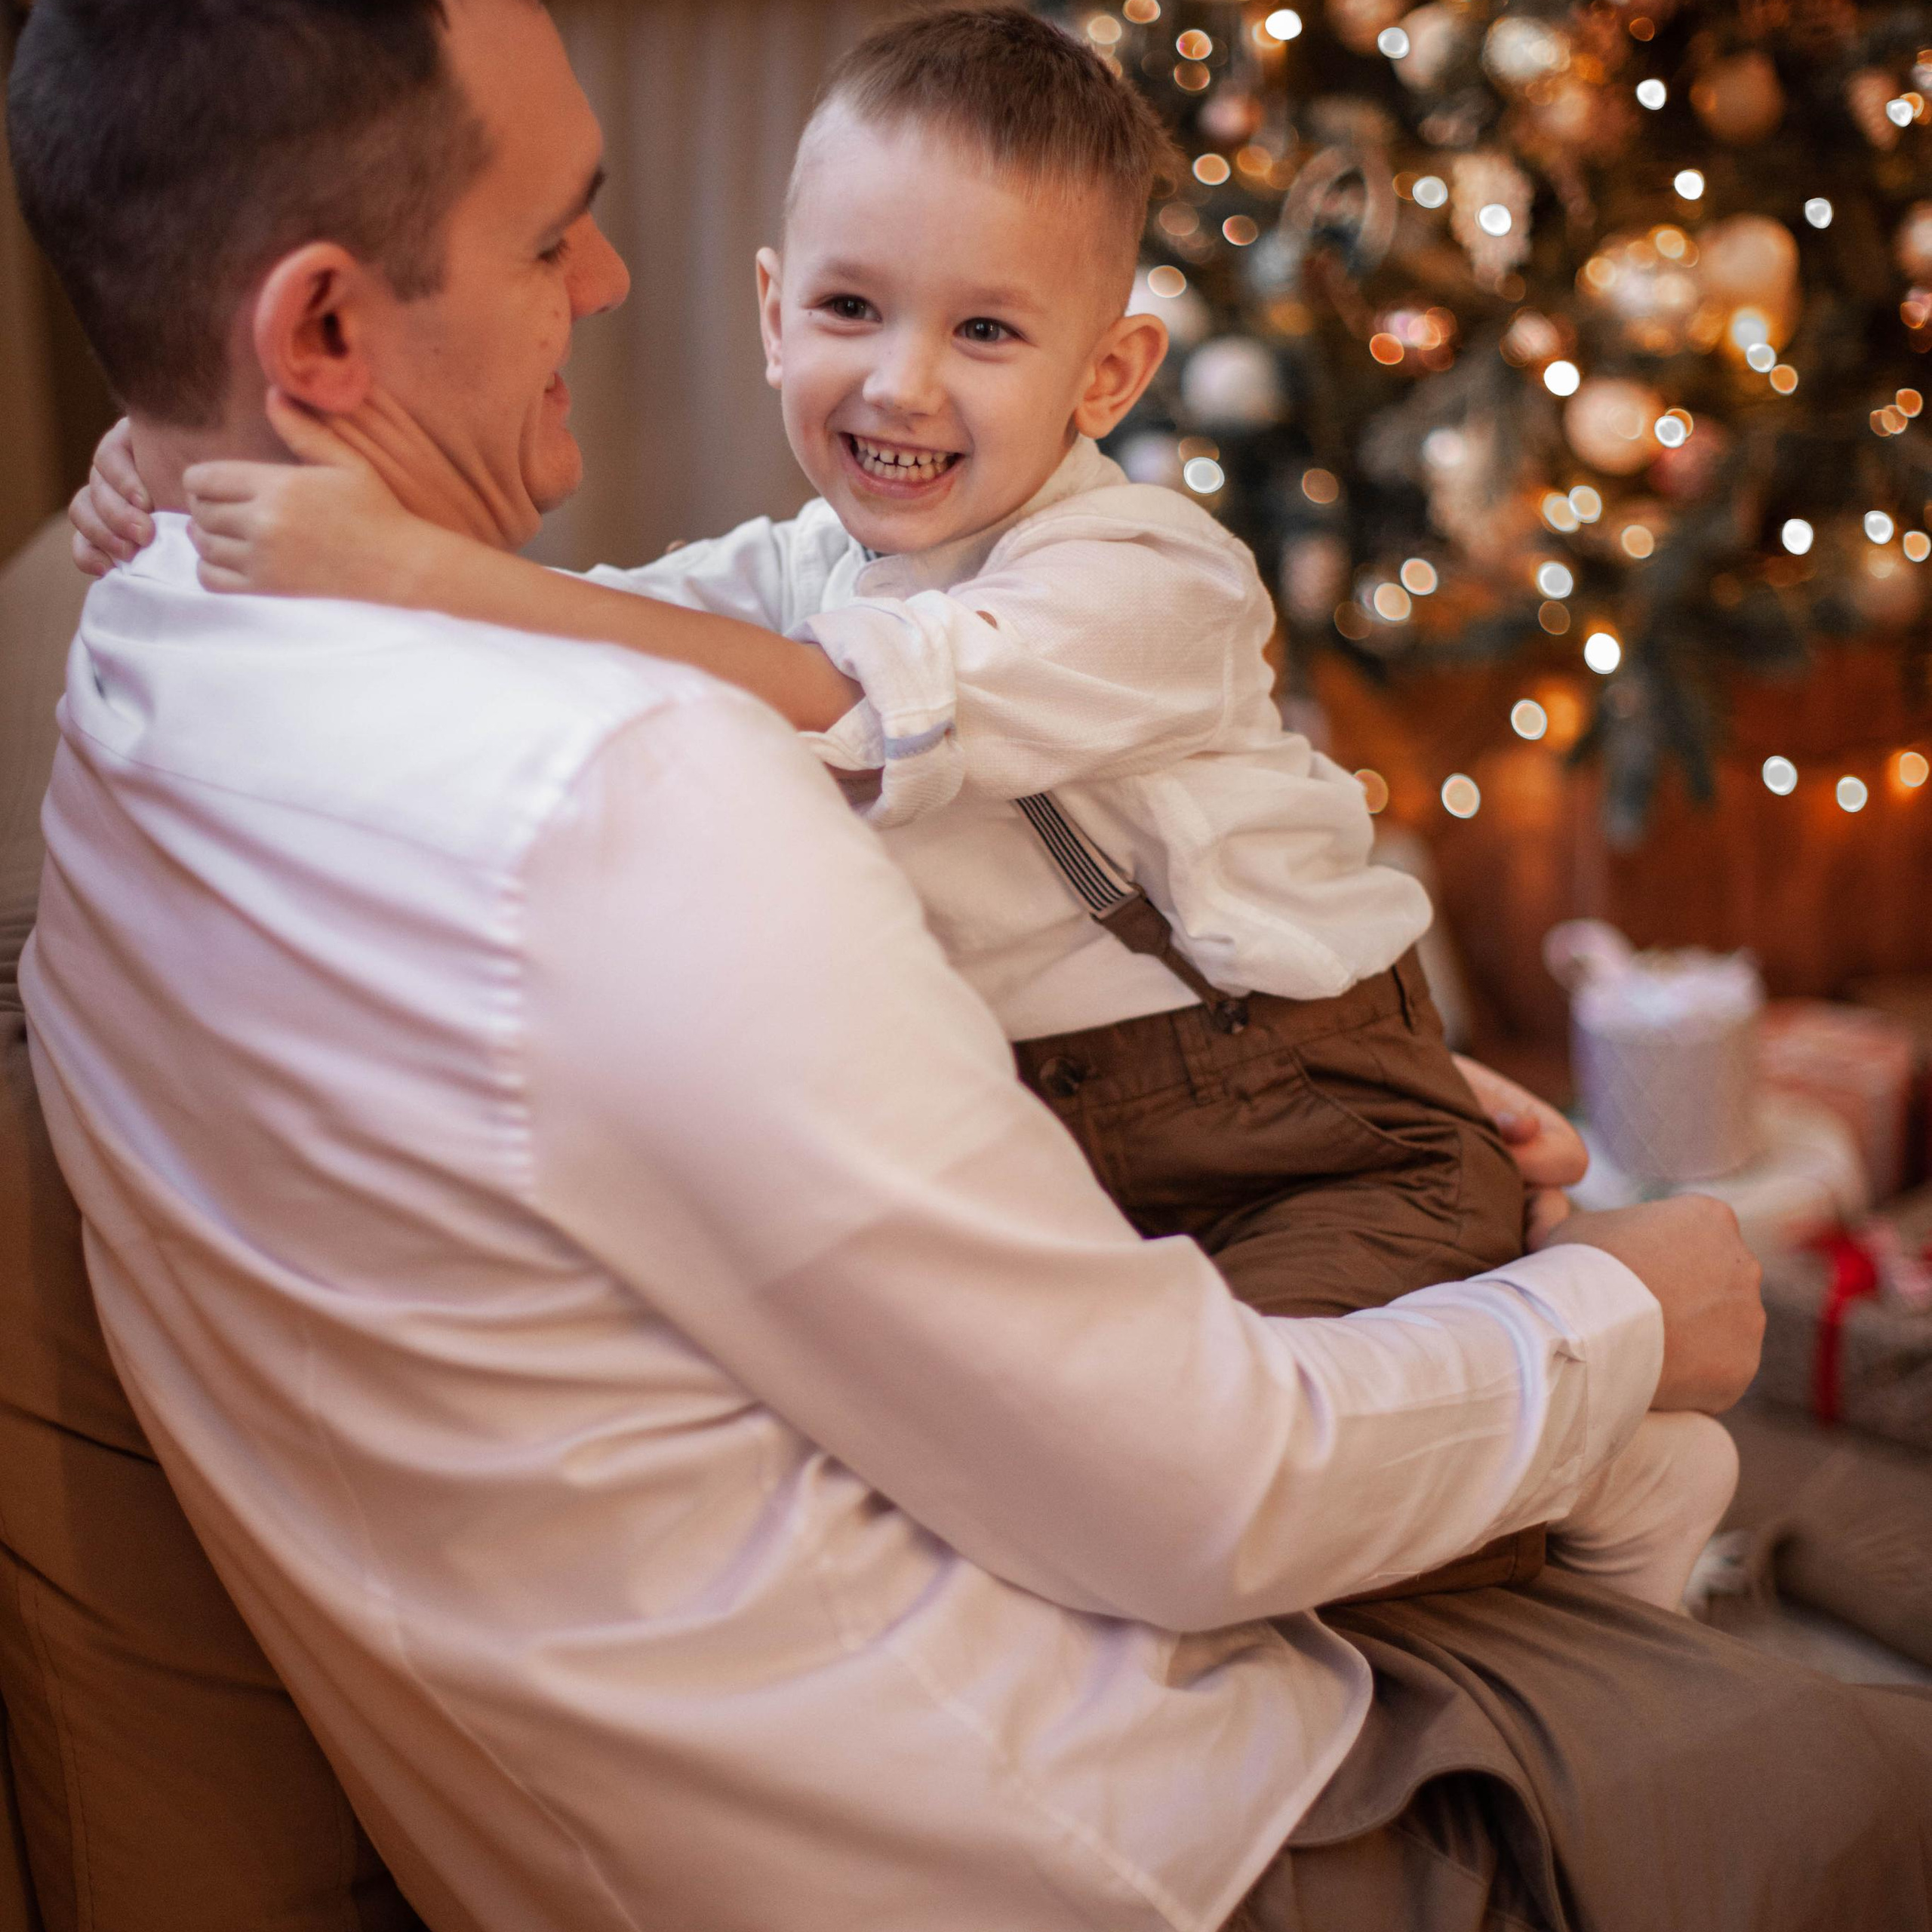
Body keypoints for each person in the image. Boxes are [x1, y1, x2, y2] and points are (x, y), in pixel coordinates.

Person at [14, 4, 1930, 1932]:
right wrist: (1613, 1311)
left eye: (986, 332)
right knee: (1835, 1754)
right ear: (323, 332)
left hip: (1275, 1083)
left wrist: (215, 497)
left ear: (1108, 372)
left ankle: (1633, 1490)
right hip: (1098, 1794)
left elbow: (837, 697)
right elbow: (1204, 1486)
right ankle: (1634, 1481)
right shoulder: (641, 778)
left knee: (1537, 1412)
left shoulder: (149, 681)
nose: (607, 283)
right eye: (552, 237)